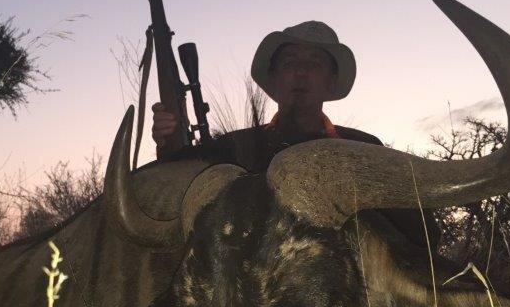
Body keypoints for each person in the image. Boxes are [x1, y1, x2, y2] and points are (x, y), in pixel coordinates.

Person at [151, 20, 439, 248]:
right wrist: (168, 141)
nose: (301, 71)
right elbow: (175, 182)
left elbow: (422, 236)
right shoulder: (232, 147)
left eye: (315, 63)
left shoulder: (366, 149)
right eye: (289, 62)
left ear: (331, 82)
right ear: (274, 80)